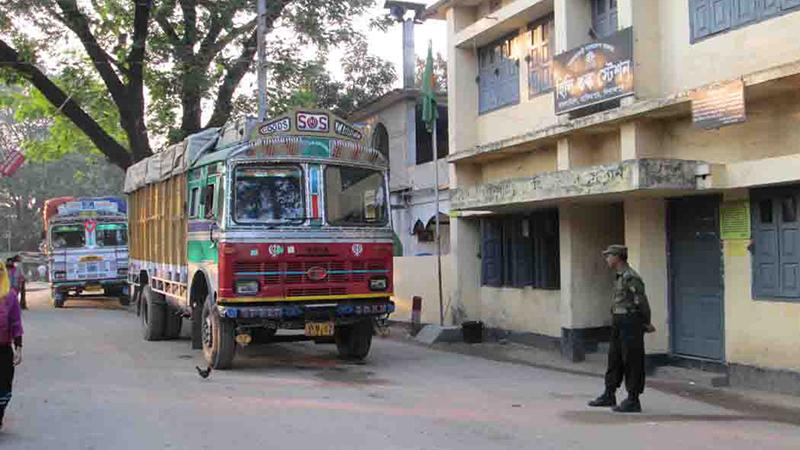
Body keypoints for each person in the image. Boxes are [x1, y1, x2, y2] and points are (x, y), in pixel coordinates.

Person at [588, 245, 655, 413]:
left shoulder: (631, 277)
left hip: (631, 321)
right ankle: (609, 393)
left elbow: (642, 302)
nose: (607, 259)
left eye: (609, 256)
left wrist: (646, 322)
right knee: (614, 357)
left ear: (617, 257)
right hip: (619, 320)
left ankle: (633, 399)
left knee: (632, 359)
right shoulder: (619, 277)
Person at [0, 262, 23, 430]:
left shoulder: (10, 296)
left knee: (5, 388)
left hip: (3, 349)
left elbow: (15, 323)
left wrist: (19, 348)